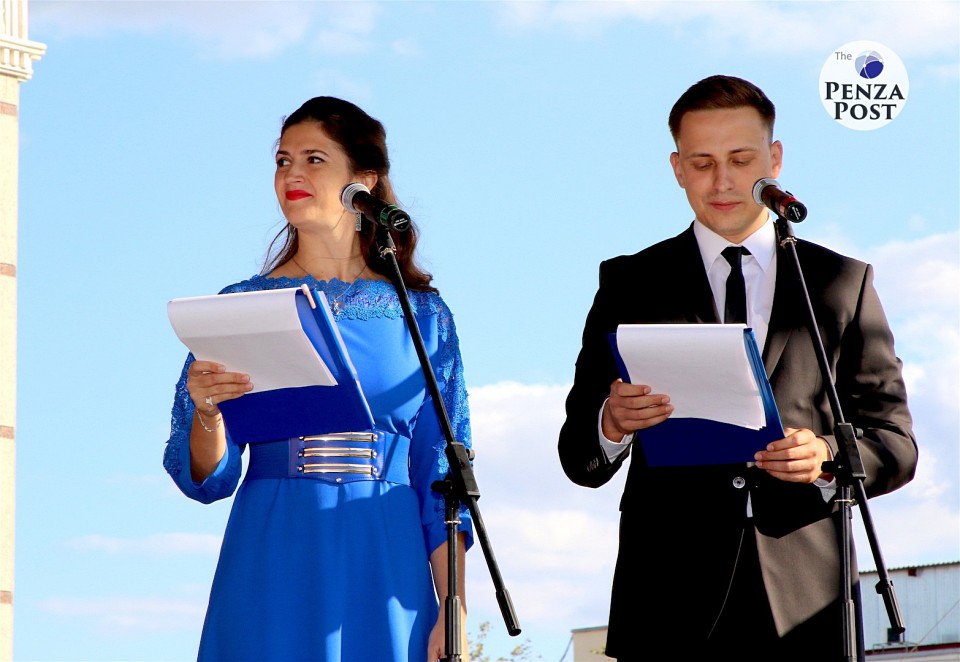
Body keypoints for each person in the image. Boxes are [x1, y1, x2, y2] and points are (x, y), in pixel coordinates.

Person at [557, 75, 917, 661]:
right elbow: (578, 454)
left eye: (741, 160)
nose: (722, 181)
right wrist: (612, 423)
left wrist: (825, 455)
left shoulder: (840, 283)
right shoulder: (629, 284)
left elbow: (896, 444)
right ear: (676, 168)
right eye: (702, 163)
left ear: (775, 159)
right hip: (667, 601)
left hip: (807, 602)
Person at [163, 96, 473, 662]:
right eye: (283, 161)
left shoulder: (423, 315)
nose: (292, 175)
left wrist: (454, 606)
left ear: (365, 181)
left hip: (388, 553)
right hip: (273, 549)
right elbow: (206, 478)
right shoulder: (236, 308)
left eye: (314, 159)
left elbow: (443, 475)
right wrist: (206, 412)